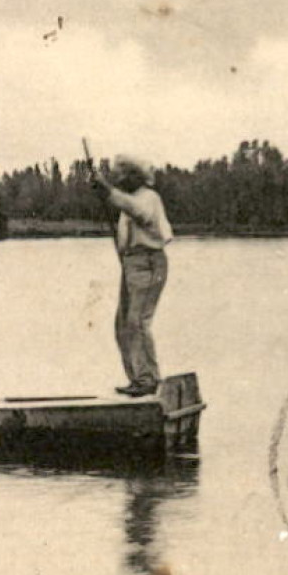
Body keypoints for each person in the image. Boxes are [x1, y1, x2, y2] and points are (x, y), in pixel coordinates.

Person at [90, 156, 174, 397]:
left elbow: (140, 213)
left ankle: (149, 379)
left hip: (149, 263)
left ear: (134, 176)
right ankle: (138, 378)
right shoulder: (129, 201)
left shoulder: (148, 198)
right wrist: (107, 194)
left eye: (122, 175)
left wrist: (108, 191)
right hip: (132, 264)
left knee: (137, 322)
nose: (118, 179)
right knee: (123, 325)